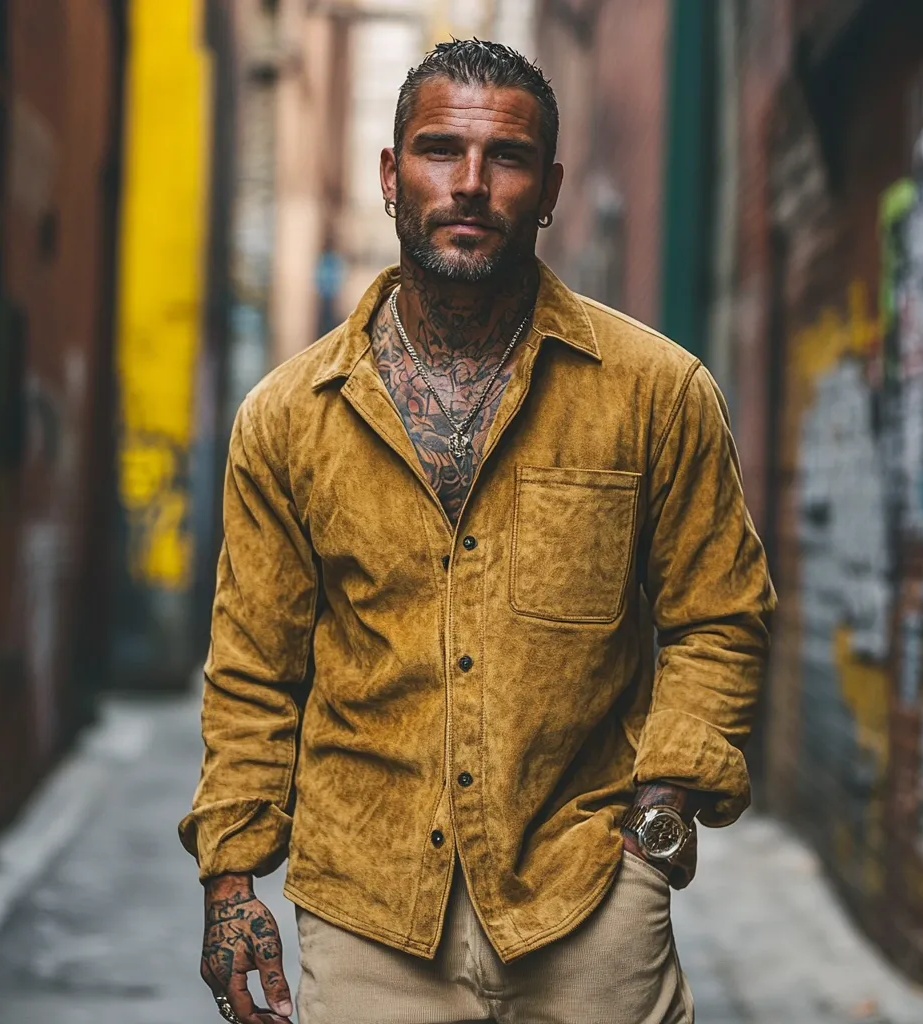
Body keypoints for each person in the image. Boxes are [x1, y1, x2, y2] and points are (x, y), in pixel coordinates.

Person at [179, 38, 775, 1024]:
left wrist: (659, 815)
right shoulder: (289, 416)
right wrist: (232, 882)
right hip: (367, 915)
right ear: (388, 174)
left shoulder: (654, 393)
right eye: (437, 149)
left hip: (585, 899)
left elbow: (719, 614)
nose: (467, 183)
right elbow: (254, 669)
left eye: (504, 158)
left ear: (548, 188)